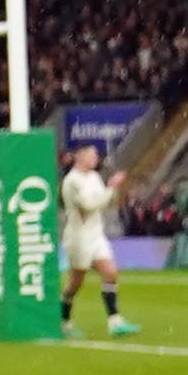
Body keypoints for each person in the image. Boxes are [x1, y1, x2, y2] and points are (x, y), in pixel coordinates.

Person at [55, 135, 133, 334]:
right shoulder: (72, 181)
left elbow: (104, 201)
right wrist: (111, 188)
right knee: (75, 282)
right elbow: (89, 205)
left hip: (96, 235)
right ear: (79, 157)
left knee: (110, 272)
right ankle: (63, 320)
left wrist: (112, 191)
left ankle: (115, 321)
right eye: (92, 154)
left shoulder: (94, 177)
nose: (95, 158)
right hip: (78, 238)